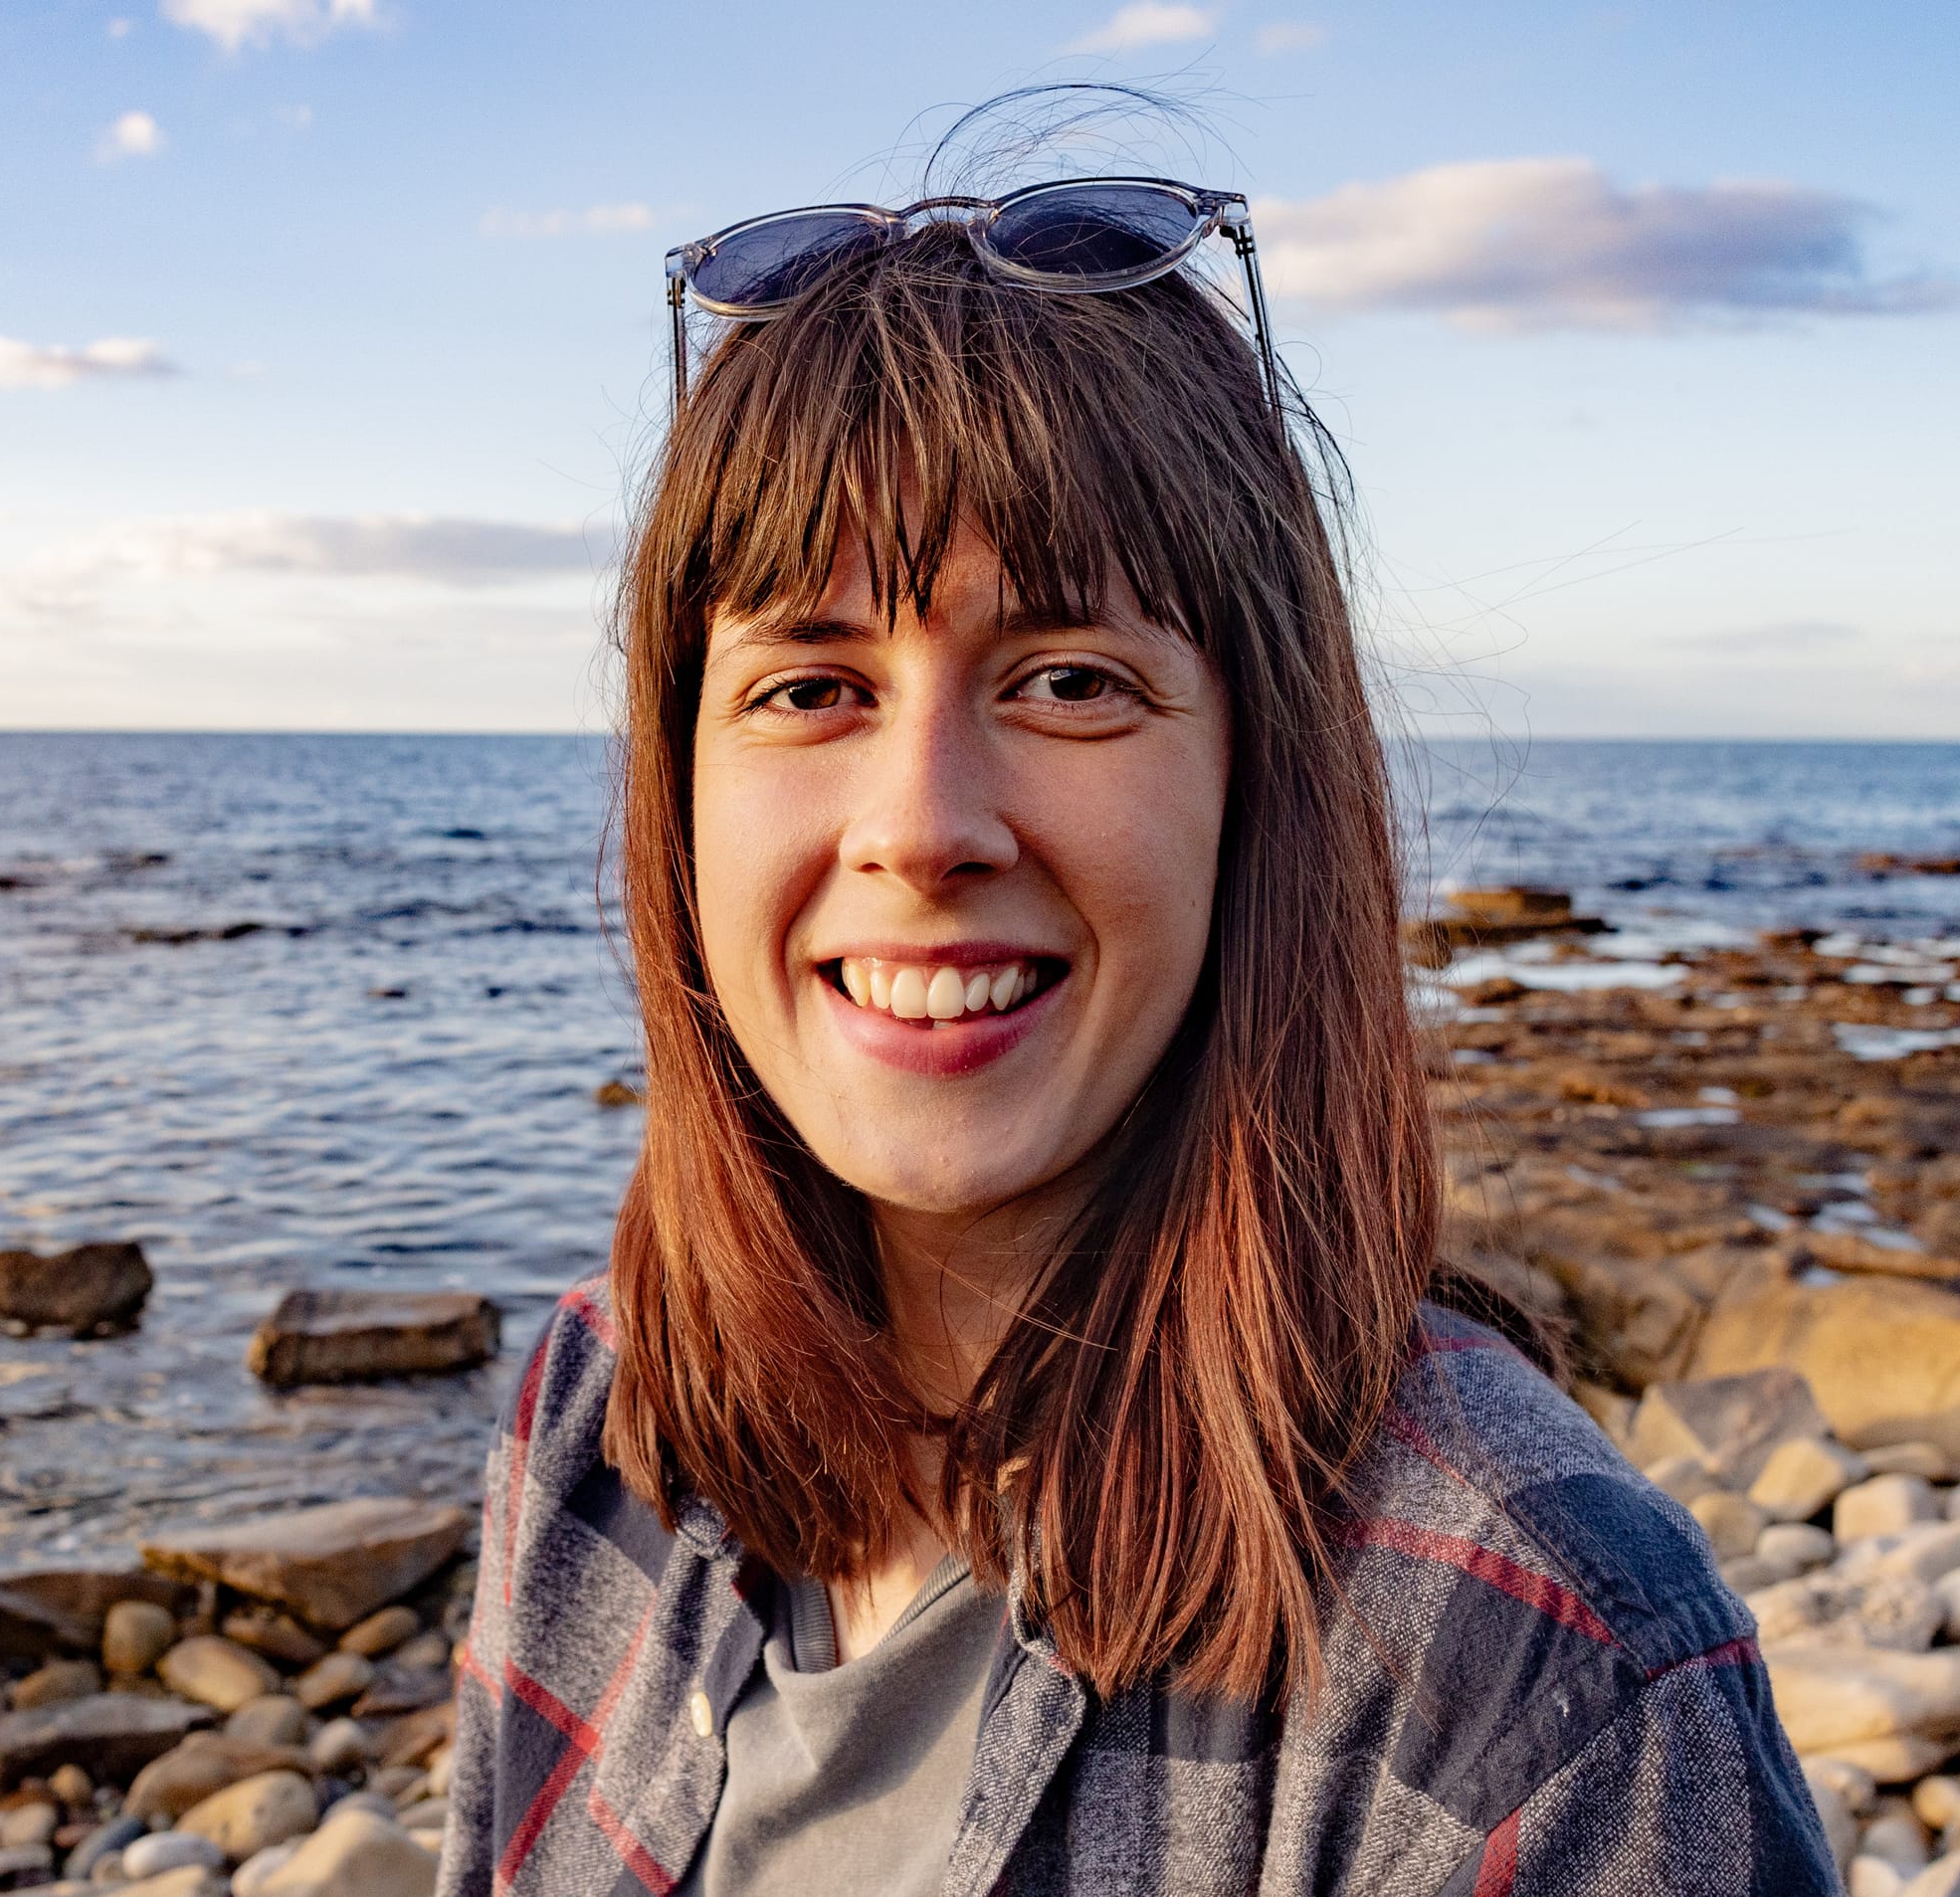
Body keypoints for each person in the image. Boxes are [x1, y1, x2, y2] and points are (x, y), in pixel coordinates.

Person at [437, 153, 1838, 1897]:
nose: (920, 828)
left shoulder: (1538, 1691)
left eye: (1070, 681)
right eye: (810, 687)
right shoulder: (600, 1417)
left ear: (1257, 781)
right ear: (682, 803)